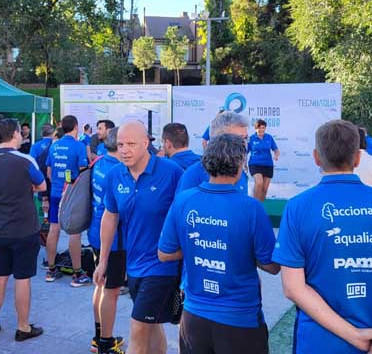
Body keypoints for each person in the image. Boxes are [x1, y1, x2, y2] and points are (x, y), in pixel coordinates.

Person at [274, 120, 372, 353]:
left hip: (317, 343)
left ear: (316, 157)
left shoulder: (298, 207)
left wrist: (354, 336)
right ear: (358, 158)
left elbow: (293, 288)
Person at [158, 134, 279, 354]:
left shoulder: (184, 200)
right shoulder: (251, 208)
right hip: (240, 320)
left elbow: (165, 253)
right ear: (240, 164)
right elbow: (272, 265)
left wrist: (198, 246)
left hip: (194, 318)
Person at [94, 121, 184, 354]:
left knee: (138, 326)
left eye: (131, 144)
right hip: (134, 264)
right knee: (152, 325)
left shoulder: (171, 172)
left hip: (163, 265)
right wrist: (103, 261)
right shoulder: (115, 175)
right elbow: (110, 217)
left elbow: (187, 214)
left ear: (147, 143)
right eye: (121, 144)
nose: (124, 149)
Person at [0, 118, 47, 341]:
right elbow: (42, 185)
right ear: (14, 134)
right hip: (23, 227)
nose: (22, 136)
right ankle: (23, 327)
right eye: (20, 132)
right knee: (22, 278)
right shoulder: (25, 159)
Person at [89, 127, 125, 354]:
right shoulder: (118, 171)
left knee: (101, 285)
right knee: (111, 291)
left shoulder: (100, 162)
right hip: (112, 240)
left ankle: (99, 335)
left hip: (95, 234)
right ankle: (106, 342)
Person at [45, 115, 91, 286]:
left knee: (53, 229)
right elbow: (82, 170)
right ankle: (77, 274)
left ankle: (50, 270)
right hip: (70, 194)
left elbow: (49, 172)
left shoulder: (54, 145)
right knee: (75, 232)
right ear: (76, 127)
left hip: (56, 191)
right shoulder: (79, 146)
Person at [177, 112, 249, 194]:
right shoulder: (194, 175)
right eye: (237, 139)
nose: (244, 143)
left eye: (246, 138)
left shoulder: (239, 171)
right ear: (218, 140)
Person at [248, 119, 280, 202]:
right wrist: (244, 164)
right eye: (260, 128)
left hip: (268, 164)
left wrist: (276, 155)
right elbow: (245, 152)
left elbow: (276, 150)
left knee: (265, 189)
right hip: (255, 164)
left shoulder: (269, 137)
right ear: (256, 128)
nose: (261, 130)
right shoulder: (251, 138)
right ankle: (254, 205)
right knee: (259, 183)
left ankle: (260, 207)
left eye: (263, 128)